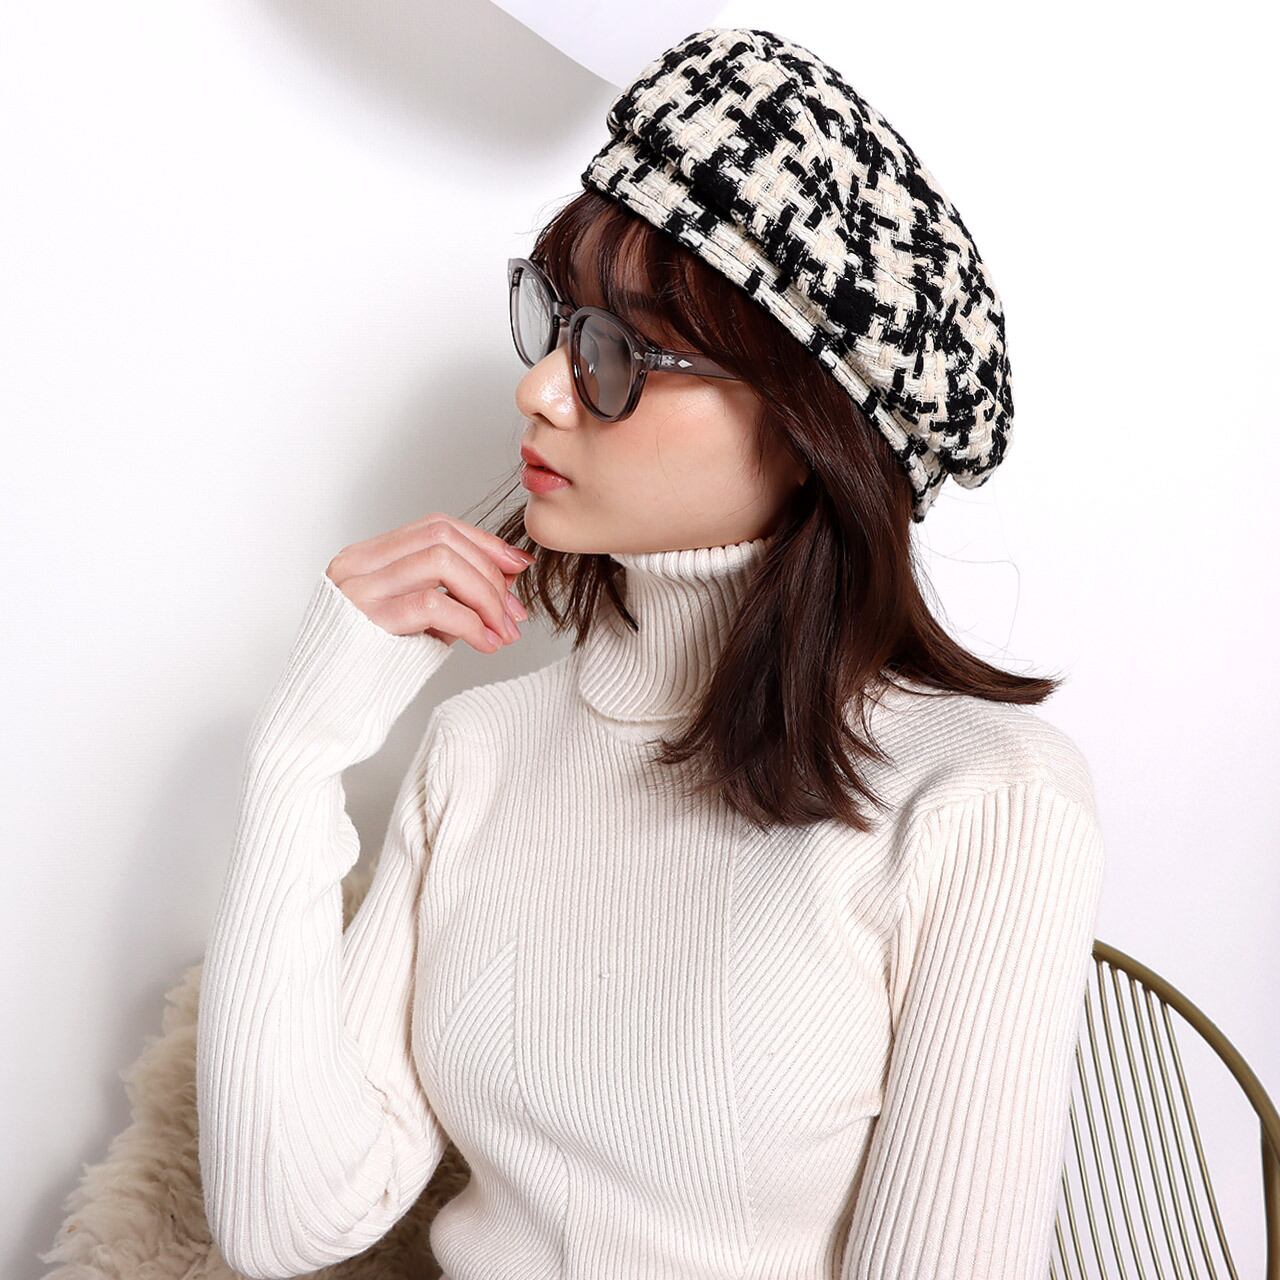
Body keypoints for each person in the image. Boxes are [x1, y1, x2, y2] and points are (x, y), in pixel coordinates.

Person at [195, 26, 1105, 1280]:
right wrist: (300, 750)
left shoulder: (980, 798)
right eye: (552, 321)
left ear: (807, 430)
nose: (540, 390)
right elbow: (285, 1219)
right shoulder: (480, 749)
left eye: (615, 357)